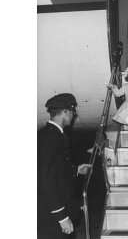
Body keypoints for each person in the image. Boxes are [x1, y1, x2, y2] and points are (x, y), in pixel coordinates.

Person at [37, 93, 91, 239]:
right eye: (72, 112)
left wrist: (76, 170)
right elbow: (45, 178)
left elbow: (56, 169)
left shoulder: (54, 134)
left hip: (59, 209)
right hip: (53, 217)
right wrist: (62, 217)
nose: (74, 115)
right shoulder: (50, 137)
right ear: (65, 112)